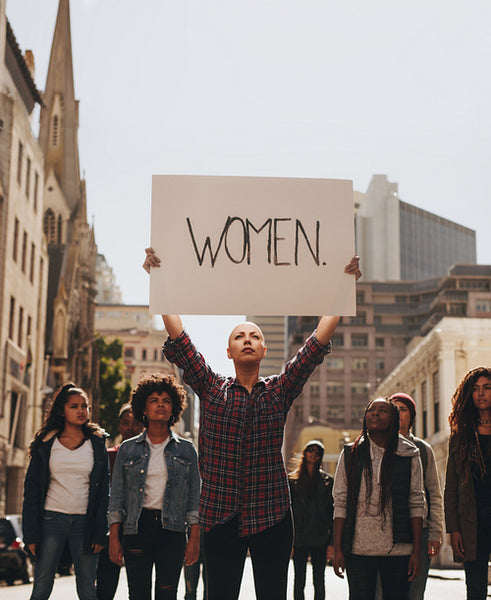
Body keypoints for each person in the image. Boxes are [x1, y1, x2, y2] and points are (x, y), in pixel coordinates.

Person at [143, 247, 361, 600]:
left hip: (272, 514)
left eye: (255, 336)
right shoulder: (211, 388)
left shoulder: (279, 390)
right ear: (228, 351)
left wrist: (344, 287)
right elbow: (180, 342)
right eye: (239, 337)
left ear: (263, 350)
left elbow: (315, 344)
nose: (248, 340)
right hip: (218, 516)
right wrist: (160, 281)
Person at [108, 372, 200, 600]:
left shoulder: (187, 450)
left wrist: (194, 539)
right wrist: (114, 538)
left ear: (174, 409)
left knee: (167, 594)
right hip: (137, 529)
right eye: (154, 401)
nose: (160, 405)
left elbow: (194, 499)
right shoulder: (128, 449)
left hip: (173, 530)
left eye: (166, 401)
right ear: (144, 409)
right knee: (138, 594)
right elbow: (117, 497)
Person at [22, 383, 110, 600]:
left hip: (85, 523)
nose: (81, 411)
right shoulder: (46, 443)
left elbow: (103, 493)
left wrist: (101, 532)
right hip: (51, 520)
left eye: (85, 406)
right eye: (74, 406)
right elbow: (31, 492)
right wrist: (31, 534)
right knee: (41, 587)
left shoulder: (97, 443)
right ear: (62, 410)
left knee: (88, 589)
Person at [332, 398, 425, 600]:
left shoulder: (409, 453)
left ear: (393, 419)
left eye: (382, 410)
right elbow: (340, 501)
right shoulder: (350, 453)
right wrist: (338, 548)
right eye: (371, 410)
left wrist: (417, 552)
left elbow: (417, 501)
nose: (374, 413)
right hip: (358, 550)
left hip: (399, 550)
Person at [387, 393, 443, 600]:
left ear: (412, 417)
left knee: (415, 593)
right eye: (393, 408)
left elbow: (434, 494)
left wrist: (436, 533)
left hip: (420, 531)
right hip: (387, 533)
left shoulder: (423, 449)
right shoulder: (379, 445)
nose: (397, 413)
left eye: (403, 409)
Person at [444, 367, 491, 600]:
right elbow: (451, 486)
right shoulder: (461, 435)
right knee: (475, 590)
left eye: (487, 388)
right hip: (472, 521)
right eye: (475, 389)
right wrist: (453, 529)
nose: (480, 394)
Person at [96, 404, 143, 600]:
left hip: (139, 527)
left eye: (135, 423)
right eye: (125, 423)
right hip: (110, 527)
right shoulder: (108, 455)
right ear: (119, 425)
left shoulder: (150, 456)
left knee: (139, 587)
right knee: (106, 585)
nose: (130, 428)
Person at [288, 439, 334, 600]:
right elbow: (289, 513)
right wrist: (289, 542)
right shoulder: (292, 482)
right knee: (299, 581)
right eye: (311, 450)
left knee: (319, 582)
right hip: (299, 538)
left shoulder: (328, 482)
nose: (314, 454)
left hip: (320, 537)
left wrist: (332, 543)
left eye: (318, 451)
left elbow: (332, 514)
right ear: (305, 452)